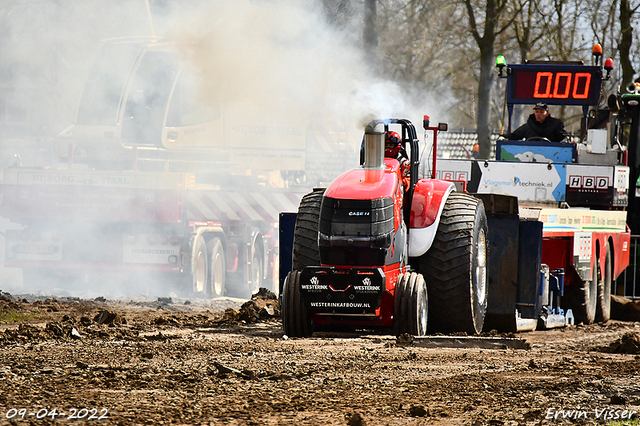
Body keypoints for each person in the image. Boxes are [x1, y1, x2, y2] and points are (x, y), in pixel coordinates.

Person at [505, 103, 570, 142]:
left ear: (547, 114)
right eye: (537, 112)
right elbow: (515, 135)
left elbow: (563, 136)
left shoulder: (555, 125)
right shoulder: (529, 126)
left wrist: (566, 138)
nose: (538, 114)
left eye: (541, 112)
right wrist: (504, 137)